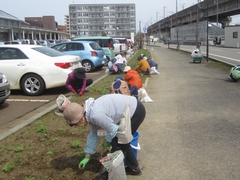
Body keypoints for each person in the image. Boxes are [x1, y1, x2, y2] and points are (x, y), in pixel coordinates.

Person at [63, 94, 146, 179]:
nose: (77, 127)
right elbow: (93, 136)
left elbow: (113, 130)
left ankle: (108, 174)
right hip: (131, 108)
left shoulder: (96, 115)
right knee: (122, 141)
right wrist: (87, 156)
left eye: (76, 125)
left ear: (81, 119)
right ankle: (134, 168)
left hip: (135, 111)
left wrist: (107, 141)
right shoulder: (89, 112)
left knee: (118, 142)